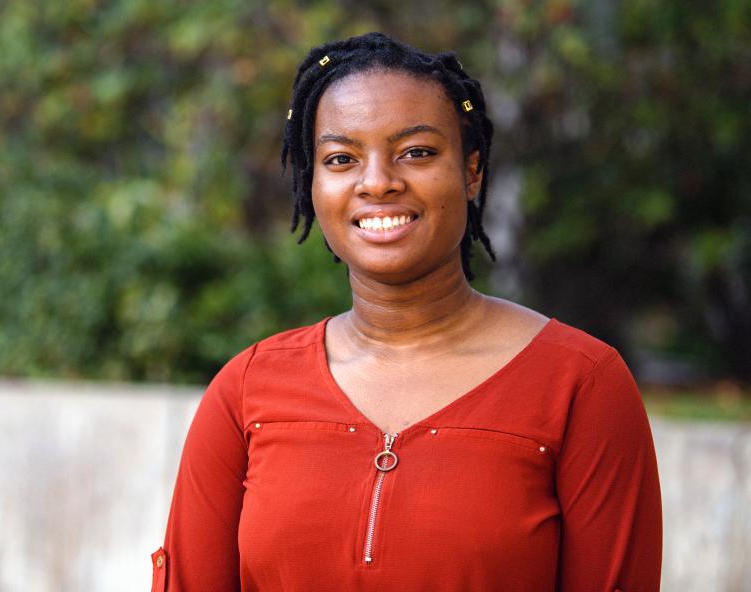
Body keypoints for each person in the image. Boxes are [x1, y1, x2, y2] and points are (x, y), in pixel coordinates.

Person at [151, 32, 662, 592]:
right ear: (313, 183)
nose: (378, 183)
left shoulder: (580, 385)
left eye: (416, 152)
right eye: (341, 158)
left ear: (472, 171)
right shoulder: (247, 392)